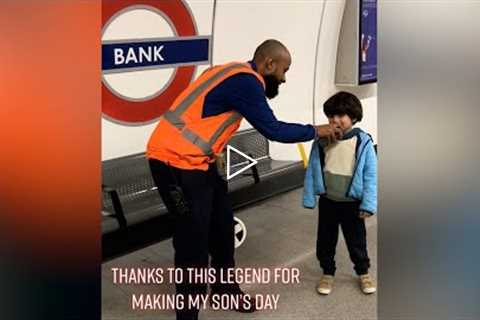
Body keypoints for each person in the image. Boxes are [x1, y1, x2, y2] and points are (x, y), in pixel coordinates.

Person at [146, 39, 342, 320]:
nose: (284, 78)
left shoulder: (228, 71)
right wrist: (317, 130)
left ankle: (225, 291)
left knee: (223, 228)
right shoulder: (247, 83)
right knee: (193, 240)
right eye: (284, 70)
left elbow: (204, 116)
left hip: (199, 162)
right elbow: (274, 130)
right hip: (173, 163)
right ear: (269, 64)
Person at [303, 91, 377, 296]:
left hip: (352, 202)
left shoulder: (363, 142)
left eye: (340, 116)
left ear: (353, 117)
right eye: (331, 116)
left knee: (356, 240)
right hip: (328, 201)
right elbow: (313, 169)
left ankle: (363, 272)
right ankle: (327, 272)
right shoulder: (322, 141)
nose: (335, 121)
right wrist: (310, 197)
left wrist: (368, 204)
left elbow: (371, 175)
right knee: (325, 240)